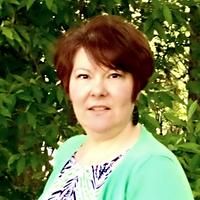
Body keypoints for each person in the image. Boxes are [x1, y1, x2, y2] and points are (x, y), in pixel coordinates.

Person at [39, 15, 194, 200]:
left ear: (137, 87)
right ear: (68, 86)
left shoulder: (155, 168)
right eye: (84, 76)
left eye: (114, 75)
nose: (97, 91)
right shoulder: (71, 150)